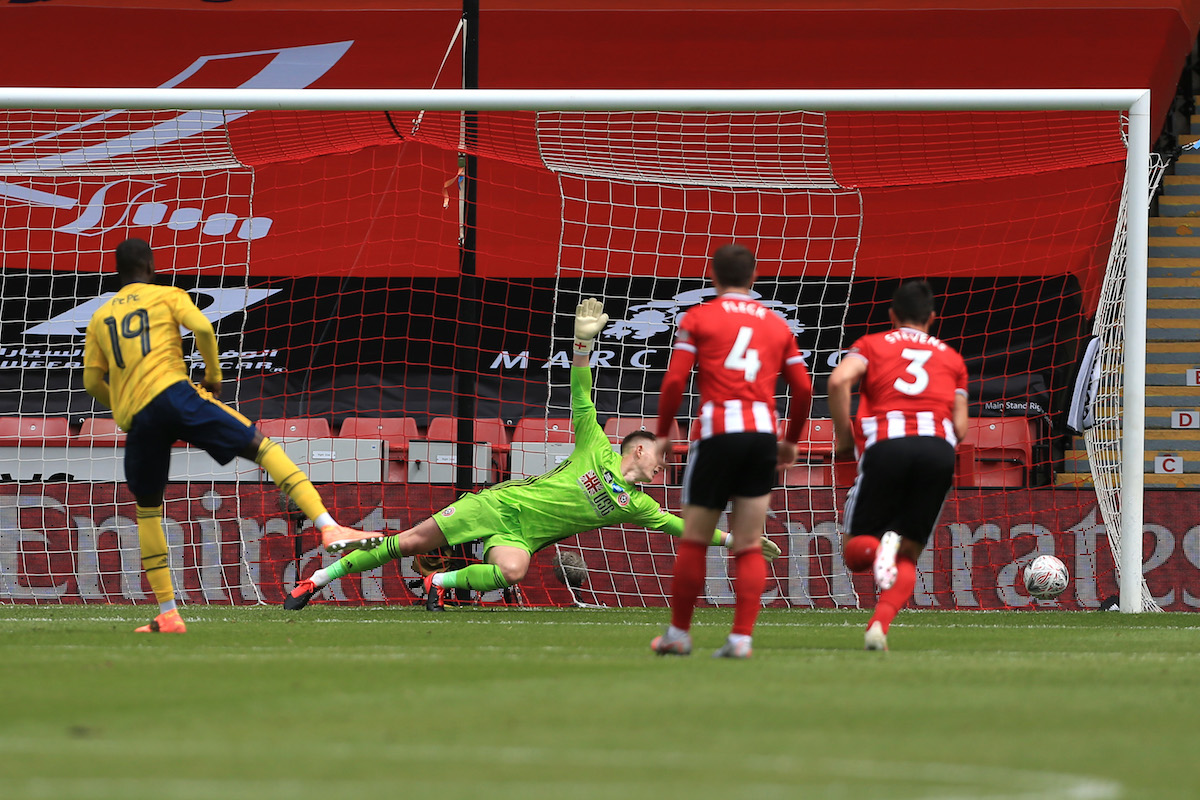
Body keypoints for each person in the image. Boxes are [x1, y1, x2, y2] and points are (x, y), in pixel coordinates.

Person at [284, 297, 781, 611]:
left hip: (518, 535)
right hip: (496, 505)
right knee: (408, 542)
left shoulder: (639, 505)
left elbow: (685, 528)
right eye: (661, 460)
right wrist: (583, 346)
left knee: (512, 570)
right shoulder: (596, 446)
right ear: (640, 447)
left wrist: (738, 542)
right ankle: (317, 580)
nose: (662, 469)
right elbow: (582, 395)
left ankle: (440, 581)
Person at [82, 238, 366, 634]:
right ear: (149, 265)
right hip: (177, 394)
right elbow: (201, 327)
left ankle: (168, 612)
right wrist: (213, 378)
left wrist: (122, 406)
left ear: (118, 271)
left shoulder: (100, 318)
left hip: (141, 416)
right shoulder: (168, 295)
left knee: (147, 511)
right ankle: (328, 524)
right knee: (262, 448)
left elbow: (92, 380)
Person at [651, 244, 813, 659]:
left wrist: (665, 431)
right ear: (754, 276)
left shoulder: (699, 317)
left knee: (694, 540)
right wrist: (791, 439)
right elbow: (805, 387)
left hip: (717, 434)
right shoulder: (778, 325)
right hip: (761, 436)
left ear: (713, 275)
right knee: (749, 542)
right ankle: (741, 638)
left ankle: (678, 635)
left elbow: (673, 382)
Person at [827, 279, 968, 651]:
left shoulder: (872, 345)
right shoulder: (952, 359)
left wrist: (844, 437)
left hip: (888, 447)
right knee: (909, 552)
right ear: (933, 318)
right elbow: (961, 427)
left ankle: (878, 551)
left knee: (857, 552)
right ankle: (879, 627)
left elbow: (839, 380)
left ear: (892, 315)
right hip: (938, 452)